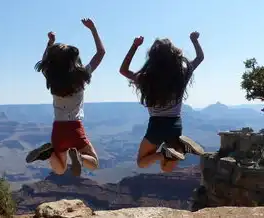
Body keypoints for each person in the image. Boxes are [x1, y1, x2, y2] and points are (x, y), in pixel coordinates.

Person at [25, 18, 105, 177]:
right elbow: (101, 53)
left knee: (60, 169)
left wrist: (50, 43)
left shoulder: (52, 78)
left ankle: (50, 153)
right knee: (94, 163)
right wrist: (93, 29)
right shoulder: (82, 76)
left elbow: (45, 62)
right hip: (75, 128)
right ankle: (80, 157)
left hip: (58, 129)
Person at [119, 32, 205, 172]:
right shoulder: (181, 75)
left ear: (153, 58)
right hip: (175, 124)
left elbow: (123, 70)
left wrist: (134, 46)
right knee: (167, 168)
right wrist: (194, 40)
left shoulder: (145, 78)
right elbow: (200, 58)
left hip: (157, 126)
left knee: (142, 162)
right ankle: (179, 148)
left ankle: (164, 153)